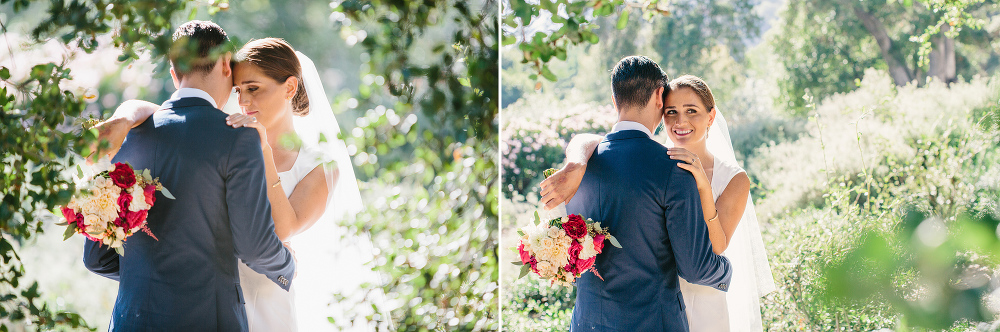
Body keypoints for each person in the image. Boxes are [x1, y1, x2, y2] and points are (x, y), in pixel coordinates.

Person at [93, 38, 374, 331]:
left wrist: (261, 150)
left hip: (267, 306)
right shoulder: (227, 136)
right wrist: (126, 115)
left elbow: (283, 228)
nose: (243, 101)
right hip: (203, 304)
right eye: (238, 90)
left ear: (290, 88)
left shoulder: (321, 166)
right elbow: (178, 116)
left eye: (253, 88)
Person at [82, 21, 296, 331]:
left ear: (173, 73)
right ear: (226, 64)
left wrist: (146, 275)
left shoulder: (123, 137)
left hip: (132, 319)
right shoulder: (238, 136)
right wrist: (288, 265)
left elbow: (96, 257)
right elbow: (254, 247)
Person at [541, 74, 776, 331]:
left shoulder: (734, 178)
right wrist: (577, 161)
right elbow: (599, 141)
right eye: (671, 111)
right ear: (660, 110)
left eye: (691, 111)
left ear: (711, 117)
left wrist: (703, 188)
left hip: (701, 298)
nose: (680, 121)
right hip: (654, 304)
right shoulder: (655, 160)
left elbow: (717, 247)